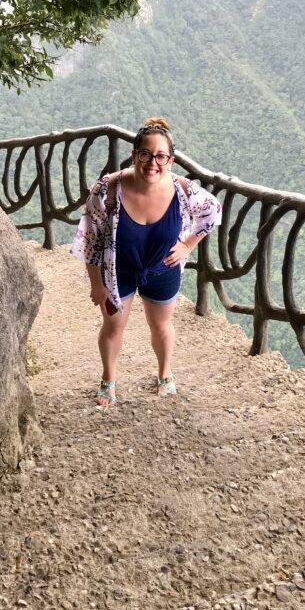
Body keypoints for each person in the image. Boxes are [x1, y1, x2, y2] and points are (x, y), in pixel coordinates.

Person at [70, 117, 222, 407]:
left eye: (161, 156)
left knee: (161, 326)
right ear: (134, 155)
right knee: (114, 326)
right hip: (117, 271)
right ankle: (108, 381)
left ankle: (165, 374)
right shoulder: (108, 189)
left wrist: (188, 243)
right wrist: (96, 285)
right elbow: (90, 238)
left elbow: (213, 211)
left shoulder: (183, 190)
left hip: (163, 269)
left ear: (171, 160)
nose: (153, 162)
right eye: (146, 154)